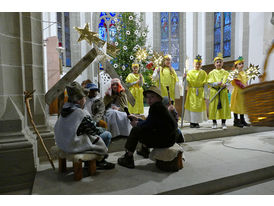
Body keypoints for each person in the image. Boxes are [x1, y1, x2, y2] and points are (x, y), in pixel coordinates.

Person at [54, 81, 115, 170]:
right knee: (107, 135)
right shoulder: (79, 113)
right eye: (84, 97)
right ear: (79, 100)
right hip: (72, 145)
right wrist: (103, 129)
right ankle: (99, 162)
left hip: (62, 142)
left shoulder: (65, 108)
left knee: (90, 134)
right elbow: (94, 131)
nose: (85, 99)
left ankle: (91, 162)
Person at [117, 86, 178, 169]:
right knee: (143, 128)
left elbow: (148, 125)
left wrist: (137, 124)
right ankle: (144, 150)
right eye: (147, 97)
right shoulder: (160, 107)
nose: (149, 100)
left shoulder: (156, 107)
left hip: (165, 141)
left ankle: (128, 157)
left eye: (152, 97)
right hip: (170, 139)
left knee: (136, 130)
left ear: (159, 98)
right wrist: (137, 119)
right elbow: (151, 123)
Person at [207, 53, 231, 129]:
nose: (219, 63)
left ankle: (223, 123)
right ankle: (214, 123)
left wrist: (225, 84)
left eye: (220, 62)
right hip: (214, 91)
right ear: (214, 64)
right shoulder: (212, 73)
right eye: (217, 62)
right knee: (214, 107)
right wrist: (217, 83)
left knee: (224, 107)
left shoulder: (226, 72)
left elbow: (228, 81)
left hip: (223, 92)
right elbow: (209, 83)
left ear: (222, 63)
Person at [184, 55, 208, 128]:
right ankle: (191, 122)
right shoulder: (190, 72)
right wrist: (184, 78)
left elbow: (206, 84)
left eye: (199, 64)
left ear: (201, 64)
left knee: (198, 107)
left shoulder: (203, 73)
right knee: (192, 106)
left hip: (200, 91)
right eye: (196, 64)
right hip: (192, 92)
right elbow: (186, 84)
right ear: (193, 64)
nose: (197, 65)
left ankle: (196, 122)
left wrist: (205, 94)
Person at [230, 56, 250, 127]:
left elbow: (246, 81)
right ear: (236, 66)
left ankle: (242, 119)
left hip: (243, 92)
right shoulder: (235, 72)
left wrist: (247, 86)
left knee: (242, 105)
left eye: (242, 63)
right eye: (239, 64)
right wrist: (244, 87)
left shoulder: (244, 72)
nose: (241, 65)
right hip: (237, 91)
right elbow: (237, 82)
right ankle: (236, 120)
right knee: (236, 106)